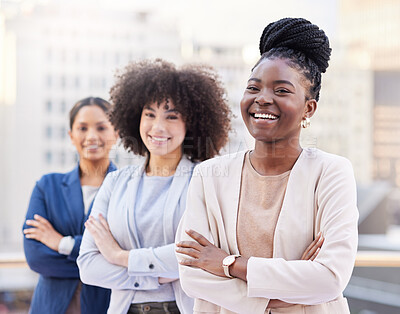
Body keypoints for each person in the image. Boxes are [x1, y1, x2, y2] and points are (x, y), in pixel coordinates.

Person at [175, 17, 359, 314]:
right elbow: (193, 274)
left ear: (308, 108)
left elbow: (329, 279)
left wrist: (229, 264)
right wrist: (290, 289)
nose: (262, 99)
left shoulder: (331, 173)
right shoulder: (209, 175)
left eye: (282, 91)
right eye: (253, 87)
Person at [77, 59, 232, 314]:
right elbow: (89, 266)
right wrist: (156, 275)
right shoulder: (116, 182)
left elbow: (194, 258)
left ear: (189, 124)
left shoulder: (204, 181)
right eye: (149, 114)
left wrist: (120, 257)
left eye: (171, 117)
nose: (158, 127)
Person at [23, 97, 119, 313]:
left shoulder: (127, 189)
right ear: (71, 135)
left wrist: (61, 243)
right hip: (50, 306)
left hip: (104, 306)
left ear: (117, 133)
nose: (92, 136)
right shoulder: (47, 187)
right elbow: (36, 257)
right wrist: (98, 258)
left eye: (101, 127)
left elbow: (125, 256)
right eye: (82, 128)